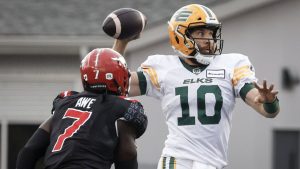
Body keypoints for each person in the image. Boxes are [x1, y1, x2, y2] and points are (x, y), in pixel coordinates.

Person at [112, 4, 280, 169]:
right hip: (176, 160)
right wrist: (122, 41)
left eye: (211, 33)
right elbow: (114, 83)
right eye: (201, 32)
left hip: (213, 163)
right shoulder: (162, 67)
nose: (209, 39)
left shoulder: (232, 64)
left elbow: (265, 109)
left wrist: (267, 101)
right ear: (180, 35)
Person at [16, 48, 148, 169]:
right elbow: (128, 152)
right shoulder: (121, 107)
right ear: (119, 76)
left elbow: (29, 150)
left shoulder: (66, 102)